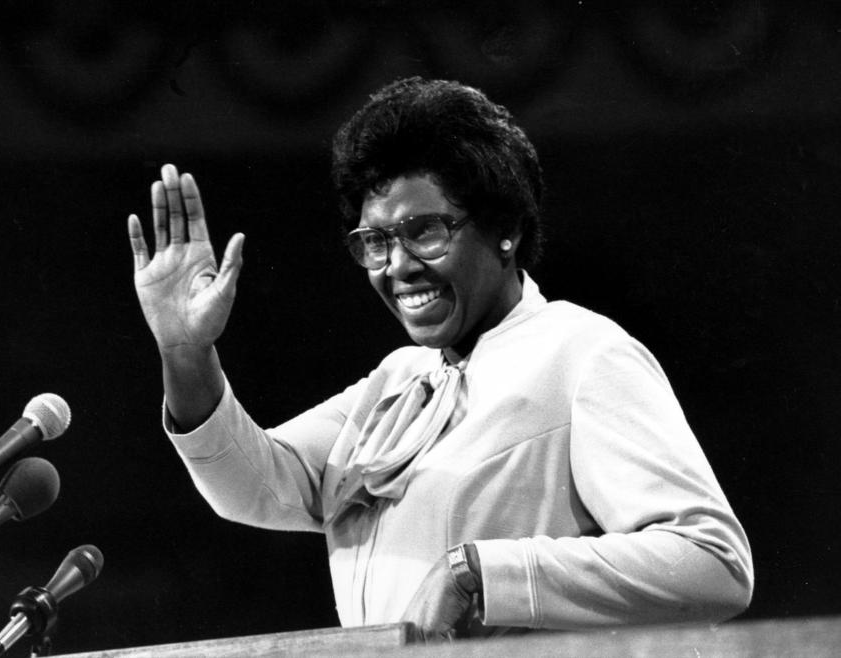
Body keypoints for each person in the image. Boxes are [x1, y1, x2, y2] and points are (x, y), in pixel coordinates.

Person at [126, 77, 753, 639]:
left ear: (504, 227)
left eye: (424, 232)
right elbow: (254, 487)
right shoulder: (397, 381)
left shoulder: (582, 353)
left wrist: (483, 573)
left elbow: (712, 563)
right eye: (376, 241)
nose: (398, 267)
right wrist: (186, 350)